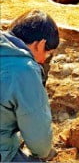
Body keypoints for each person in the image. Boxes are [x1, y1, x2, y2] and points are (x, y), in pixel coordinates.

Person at [0, 9, 59, 162]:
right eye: (48, 53)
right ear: (41, 44)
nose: (44, 59)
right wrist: (43, 152)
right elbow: (40, 143)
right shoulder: (24, 70)